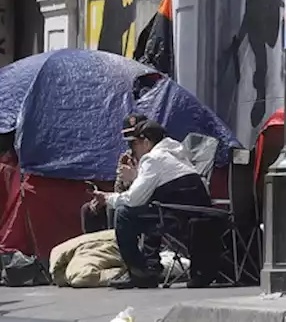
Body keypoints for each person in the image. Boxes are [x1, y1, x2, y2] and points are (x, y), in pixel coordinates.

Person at [90, 119, 217, 289]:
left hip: (178, 218)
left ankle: (139, 273)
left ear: (146, 142)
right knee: (149, 210)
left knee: (124, 213)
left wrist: (107, 199)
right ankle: (151, 266)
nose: (132, 149)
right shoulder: (177, 153)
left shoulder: (153, 158)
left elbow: (134, 199)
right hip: (194, 213)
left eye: (134, 144)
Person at [80, 113, 148, 234]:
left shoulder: (152, 158)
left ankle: (116, 245)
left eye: (137, 140)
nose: (133, 144)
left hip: (144, 203)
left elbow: (148, 190)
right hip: (125, 198)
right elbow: (118, 190)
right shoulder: (127, 158)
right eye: (130, 140)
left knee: (116, 209)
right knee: (88, 209)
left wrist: (133, 177)